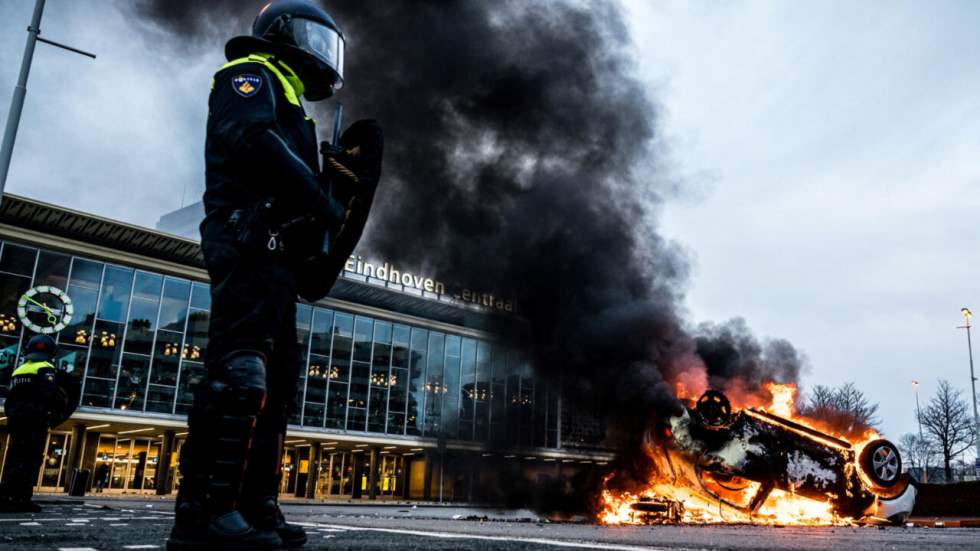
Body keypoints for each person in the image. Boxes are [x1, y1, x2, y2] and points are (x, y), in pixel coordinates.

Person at [167, 1, 382, 549]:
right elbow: (252, 141)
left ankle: (255, 504)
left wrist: (337, 184)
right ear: (282, 34)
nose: (321, 51)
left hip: (279, 252)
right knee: (239, 374)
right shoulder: (249, 75)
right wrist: (317, 194)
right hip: (244, 237)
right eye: (314, 36)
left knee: (277, 384)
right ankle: (204, 514)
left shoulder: (292, 100)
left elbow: (288, 167)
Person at [0, 334, 75, 513]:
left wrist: (10, 416)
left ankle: (6, 495)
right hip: (35, 420)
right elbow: (50, 394)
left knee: (14, 457)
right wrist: (56, 414)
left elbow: (10, 398)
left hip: (17, 420)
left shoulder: (20, 370)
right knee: (31, 459)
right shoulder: (46, 368)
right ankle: (22, 498)